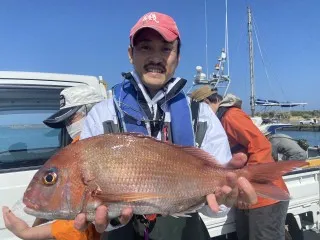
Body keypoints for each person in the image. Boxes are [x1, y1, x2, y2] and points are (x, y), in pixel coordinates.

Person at [71, 11, 258, 240]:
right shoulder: (103, 115)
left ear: (178, 57)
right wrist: (109, 220)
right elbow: (100, 211)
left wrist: (225, 197)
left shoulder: (200, 115)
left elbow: (213, 208)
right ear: (131, 54)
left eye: (166, 48)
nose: (156, 57)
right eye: (145, 47)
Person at [2, 85, 104, 240]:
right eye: (65, 123)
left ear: (92, 112)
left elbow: (82, 223)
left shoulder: (96, 153)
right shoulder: (76, 148)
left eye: (70, 119)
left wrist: (28, 233)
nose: (68, 126)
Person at [191, 86, 290, 240]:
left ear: (206, 102)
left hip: (264, 198)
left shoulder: (230, 116)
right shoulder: (220, 121)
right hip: (245, 199)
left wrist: (248, 185)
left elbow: (260, 146)